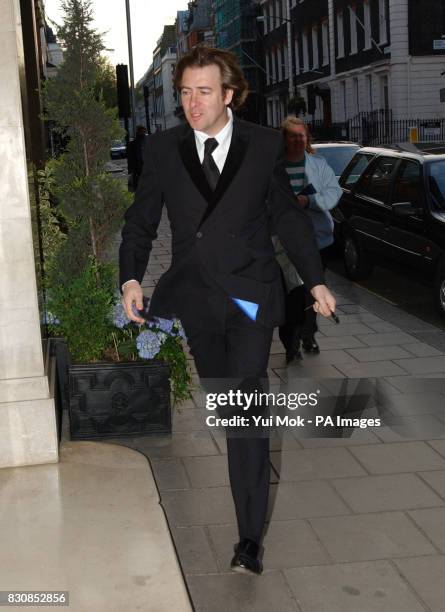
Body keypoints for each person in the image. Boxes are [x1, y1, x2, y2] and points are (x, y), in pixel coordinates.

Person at [119, 45, 336, 575]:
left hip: (249, 297)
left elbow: (287, 219)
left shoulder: (264, 146)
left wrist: (315, 282)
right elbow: (143, 218)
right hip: (196, 298)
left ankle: (249, 538)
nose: (193, 104)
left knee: (244, 406)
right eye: (186, 93)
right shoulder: (165, 149)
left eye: (204, 92)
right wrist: (130, 276)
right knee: (226, 401)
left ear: (230, 94)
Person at [276, 117, 342, 364]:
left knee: (313, 291)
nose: (298, 139)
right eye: (293, 135)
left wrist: (309, 201)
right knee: (290, 295)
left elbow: (334, 193)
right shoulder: (275, 167)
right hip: (282, 243)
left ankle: (308, 335)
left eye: (302, 135)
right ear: (284, 139)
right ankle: (290, 344)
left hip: (317, 239)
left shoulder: (318, 164)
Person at [127, 125, 147, 191]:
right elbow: (130, 158)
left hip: (146, 169)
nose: (143, 133)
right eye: (142, 132)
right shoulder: (133, 144)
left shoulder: (148, 142)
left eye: (144, 132)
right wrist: (130, 170)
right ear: (138, 132)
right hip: (138, 170)